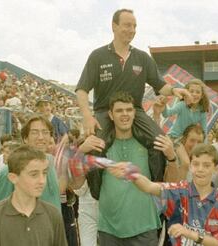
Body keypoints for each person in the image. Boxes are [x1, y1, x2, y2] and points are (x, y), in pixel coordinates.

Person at [76, 9, 191, 198]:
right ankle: (97, 195)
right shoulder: (98, 56)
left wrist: (174, 91)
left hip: (134, 111)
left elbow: (159, 84)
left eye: (134, 26)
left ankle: (155, 189)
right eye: (127, 25)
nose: (132, 30)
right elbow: (81, 90)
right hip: (104, 112)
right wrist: (87, 116)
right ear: (114, 26)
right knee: (95, 146)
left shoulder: (143, 57)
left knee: (160, 143)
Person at [71, 92, 170, 245]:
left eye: (128, 110)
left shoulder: (150, 146)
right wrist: (80, 151)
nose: (124, 114)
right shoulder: (99, 147)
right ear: (110, 115)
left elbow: (170, 180)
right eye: (119, 110)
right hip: (108, 230)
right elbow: (76, 184)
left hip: (144, 227)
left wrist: (172, 156)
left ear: (134, 113)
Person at [110, 143, 218, 245]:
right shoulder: (179, 190)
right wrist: (131, 173)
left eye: (206, 165)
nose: (200, 169)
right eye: (196, 164)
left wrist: (191, 234)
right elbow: (149, 186)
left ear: (215, 168)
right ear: (190, 167)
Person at [0, 145, 68, 246]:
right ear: (13, 178)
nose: (42, 181)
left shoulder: (52, 214)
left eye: (44, 173)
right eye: (34, 174)